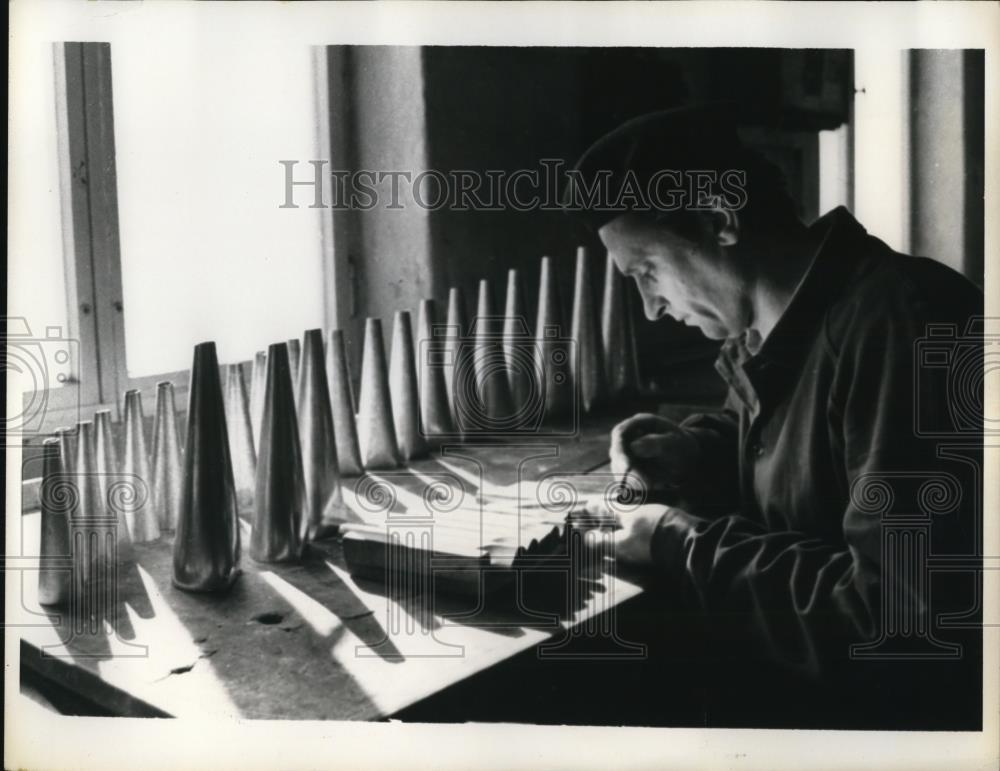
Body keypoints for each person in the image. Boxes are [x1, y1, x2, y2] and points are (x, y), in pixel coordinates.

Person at [563, 106, 984, 729]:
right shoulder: (774, 331)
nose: (650, 308)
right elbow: (804, 459)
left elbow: (893, 622)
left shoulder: (904, 323)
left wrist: (679, 542)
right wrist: (695, 453)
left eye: (647, 271)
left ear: (717, 218)